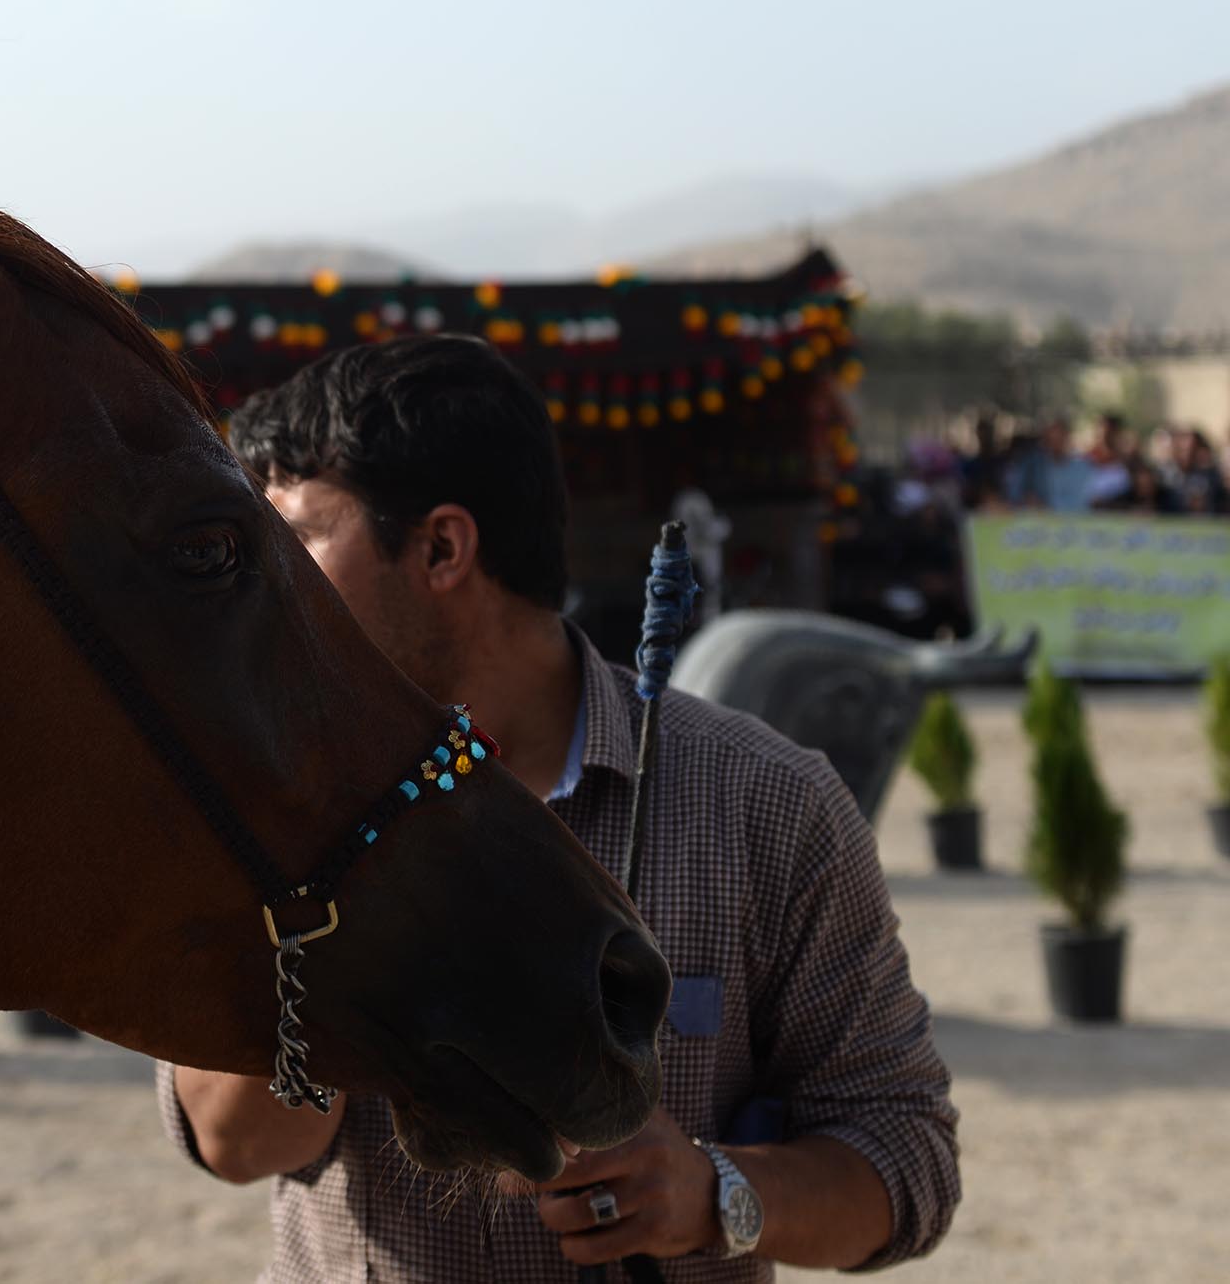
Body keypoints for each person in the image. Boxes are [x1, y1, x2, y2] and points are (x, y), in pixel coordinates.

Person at [156, 335, 959, 1282]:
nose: (269, 585)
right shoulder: (263, 799)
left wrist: (715, 1194)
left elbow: (907, 1163)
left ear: (442, 548)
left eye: (294, 537)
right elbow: (233, 1145)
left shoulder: (763, 804)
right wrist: (328, 907)